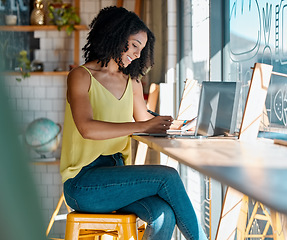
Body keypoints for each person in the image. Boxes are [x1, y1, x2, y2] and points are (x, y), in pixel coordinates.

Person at [60, 6, 208, 240]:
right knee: (167, 176)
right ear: (115, 35)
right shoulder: (81, 76)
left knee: (163, 215)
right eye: (134, 45)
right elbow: (86, 128)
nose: (138, 55)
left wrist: (182, 126)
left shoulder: (132, 84)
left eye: (142, 48)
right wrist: (142, 126)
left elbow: (146, 122)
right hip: (83, 183)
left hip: (117, 176)